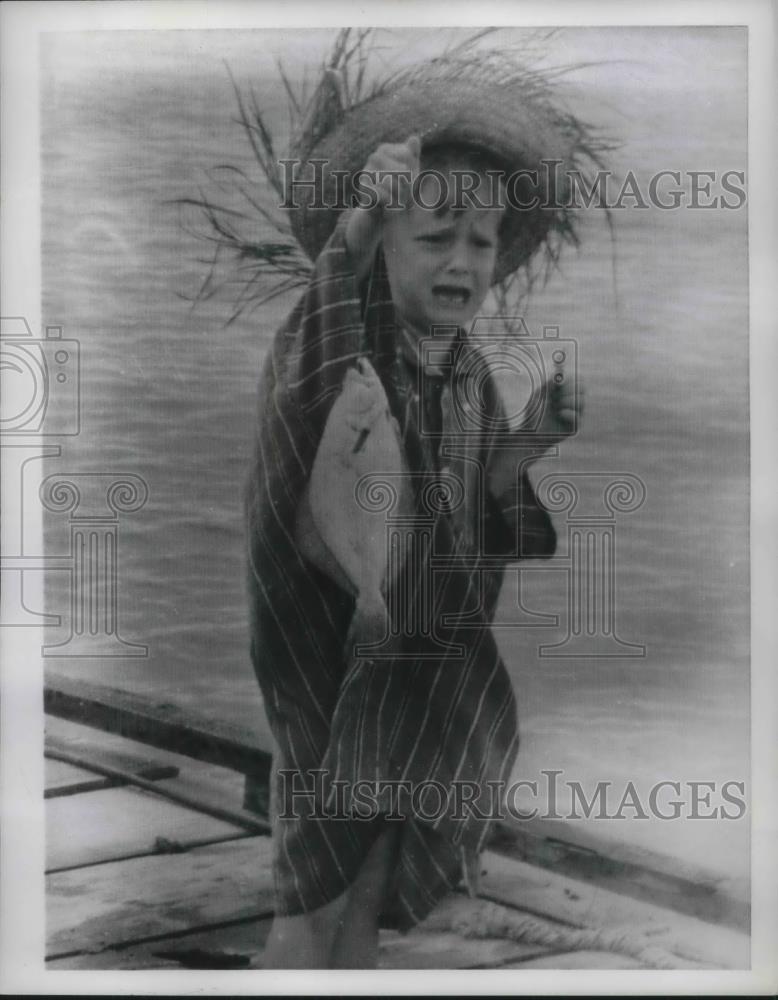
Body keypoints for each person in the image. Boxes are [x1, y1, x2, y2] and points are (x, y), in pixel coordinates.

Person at [244, 48, 599, 968]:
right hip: (332, 639)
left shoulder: (469, 369)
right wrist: (361, 217)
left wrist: (528, 441)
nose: (462, 260)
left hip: (428, 639)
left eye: (480, 242)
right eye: (434, 234)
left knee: (403, 811)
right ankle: (293, 959)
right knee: (320, 829)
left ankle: (358, 955)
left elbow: (474, 499)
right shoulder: (340, 340)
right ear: (384, 245)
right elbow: (312, 363)